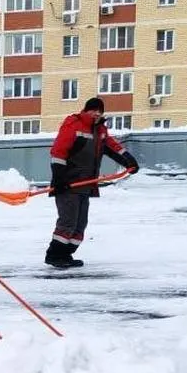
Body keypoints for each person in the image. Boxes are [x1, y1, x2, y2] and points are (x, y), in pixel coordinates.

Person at [46, 98, 139, 268]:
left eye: (100, 111)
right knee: (68, 222)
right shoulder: (73, 124)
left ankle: (66, 255)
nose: (97, 113)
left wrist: (129, 161)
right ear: (86, 110)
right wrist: (59, 179)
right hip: (68, 184)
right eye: (93, 110)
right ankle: (54, 255)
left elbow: (112, 147)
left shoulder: (100, 130)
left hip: (85, 185)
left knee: (80, 223)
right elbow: (58, 151)